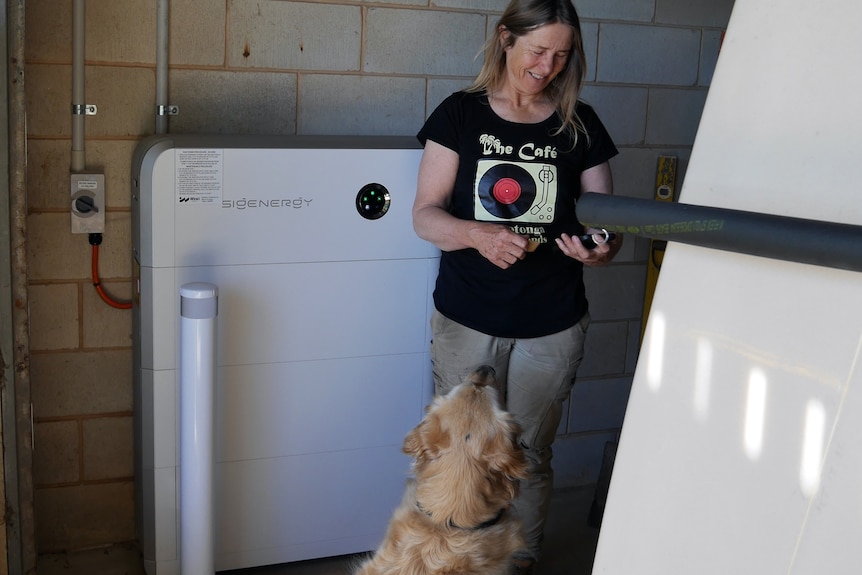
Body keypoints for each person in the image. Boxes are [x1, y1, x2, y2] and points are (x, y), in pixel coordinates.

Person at [412, 0, 622, 572]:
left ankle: (514, 565)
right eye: (537, 50)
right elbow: (425, 216)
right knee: (460, 455)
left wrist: (600, 248)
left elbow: (607, 226)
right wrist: (477, 235)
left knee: (527, 455)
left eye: (561, 54)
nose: (547, 65)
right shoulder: (460, 115)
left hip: (551, 324)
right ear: (506, 39)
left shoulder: (581, 124)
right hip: (465, 319)